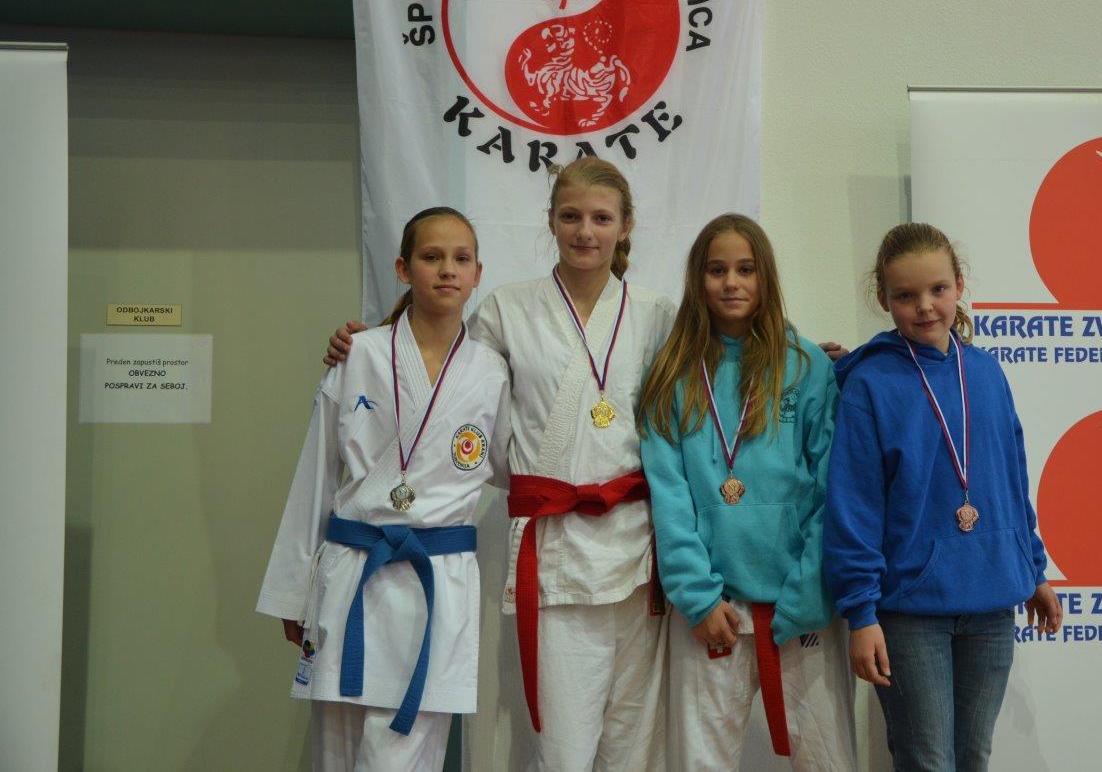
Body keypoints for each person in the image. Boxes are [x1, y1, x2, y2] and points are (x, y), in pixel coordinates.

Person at [325, 157, 674, 772]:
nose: (585, 231)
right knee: (562, 747)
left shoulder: (657, 314)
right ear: (550, 220)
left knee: (632, 745)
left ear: (626, 227)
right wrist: (371, 344)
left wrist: (811, 360)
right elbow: (444, 382)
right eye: (570, 216)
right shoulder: (507, 310)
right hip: (553, 540)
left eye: (601, 218)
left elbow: (706, 386)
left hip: (638, 547)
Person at [257, 207, 512, 771]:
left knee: (403, 757)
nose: (447, 269)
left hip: (436, 580)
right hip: (354, 572)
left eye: (461, 259)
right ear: (403, 268)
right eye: (431, 257)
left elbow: (513, 469)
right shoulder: (360, 354)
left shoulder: (491, 371)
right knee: (337, 756)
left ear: (477, 274)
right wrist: (292, 590)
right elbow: (315, 475)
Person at [823, 222, 1062, 772]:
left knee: (973, 757)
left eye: (937, 289)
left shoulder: (987, 372)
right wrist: (861, 613)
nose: (925, 306)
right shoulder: (870, 383)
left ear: (959, 285)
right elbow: (854, 507)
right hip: (910, 613)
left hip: (991, 603)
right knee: (927, 760)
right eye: (906, 295)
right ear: (884, 298)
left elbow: (1010, 480)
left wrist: (1034, 570)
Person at [638, 214, 856, 771]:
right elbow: (670, 496)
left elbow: (831, 487)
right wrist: (696, 596)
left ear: (766, 278)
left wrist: (810, 593)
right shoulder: (672, 373)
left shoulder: (805, 366)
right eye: (717, 270)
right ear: (697, 279)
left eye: (745, 269)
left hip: (801, 603)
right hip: (714, 607)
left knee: (827, 760)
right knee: (701, 762)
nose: (731, 282)